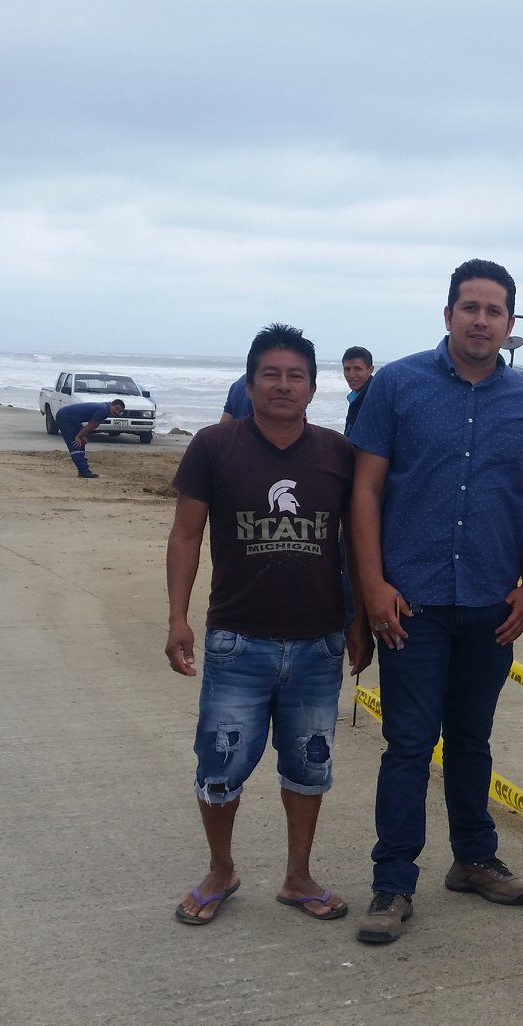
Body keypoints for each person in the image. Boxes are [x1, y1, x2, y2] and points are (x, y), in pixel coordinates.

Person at [347, 259, 523, 945]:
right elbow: (365, 490)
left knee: (471, 739)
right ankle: (392, 882)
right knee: (408, 743)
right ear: (448, 314)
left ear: (509, 323)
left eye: (494, 311)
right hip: (413, 602)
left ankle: (473, 859)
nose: (481, 321)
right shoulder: (396, 385)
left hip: (490, 602)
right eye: (470, 307)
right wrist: (372, 585)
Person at [164, 323, 370, 926]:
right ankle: (220, 870)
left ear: (313, 387)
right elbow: (185, 535)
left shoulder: (338, 453)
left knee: (309, 765)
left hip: (318, 643)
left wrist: (358, 622)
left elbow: (356, 545)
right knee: (220, 766)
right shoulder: (213, 446)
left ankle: (298, 876)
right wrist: (177, 617)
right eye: (271, 374)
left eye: (295, 375)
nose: (283, 385)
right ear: (250, 383)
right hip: (237, 640)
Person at [55, 398, 125, 478]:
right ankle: (84, 472)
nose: (117, 412)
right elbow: (92, 425)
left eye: (120, 411)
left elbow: (90, 423)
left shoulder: (105, 407)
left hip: (73, 419)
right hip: (65, 417)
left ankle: (83, 470)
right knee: (75, 444)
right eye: (116, 408)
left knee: (81, 443)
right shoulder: (103, 410)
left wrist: (82, 436)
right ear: (112, 405)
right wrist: (79, 436)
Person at [341, 346, 374, 434]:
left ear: (370, 370)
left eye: (357, 369)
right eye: (347, 369)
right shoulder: (356, 395)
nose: (351, 375)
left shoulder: (373, 397)